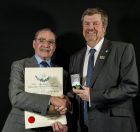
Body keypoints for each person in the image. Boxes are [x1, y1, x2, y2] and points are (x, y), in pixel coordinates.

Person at [69, 8, 138, 132]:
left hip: (115, 125)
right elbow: (77, 88)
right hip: (83, 126)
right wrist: (64, 103)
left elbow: (130, 88)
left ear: (104, 28)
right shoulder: (75, 57)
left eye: (95, 24)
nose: (90, 28)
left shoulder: (123, 49)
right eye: (86, 24)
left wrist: (92, 95)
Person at [2, 28, 71, 132]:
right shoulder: (20, 66)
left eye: (51, 42)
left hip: (50, 127)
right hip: (20, 127)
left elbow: (65, 101)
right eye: (41, 40)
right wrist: (50, 99)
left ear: (54, 47)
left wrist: (66, 105)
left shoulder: (62, 73)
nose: (46, 45)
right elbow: (16, 97)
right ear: (34, 44)